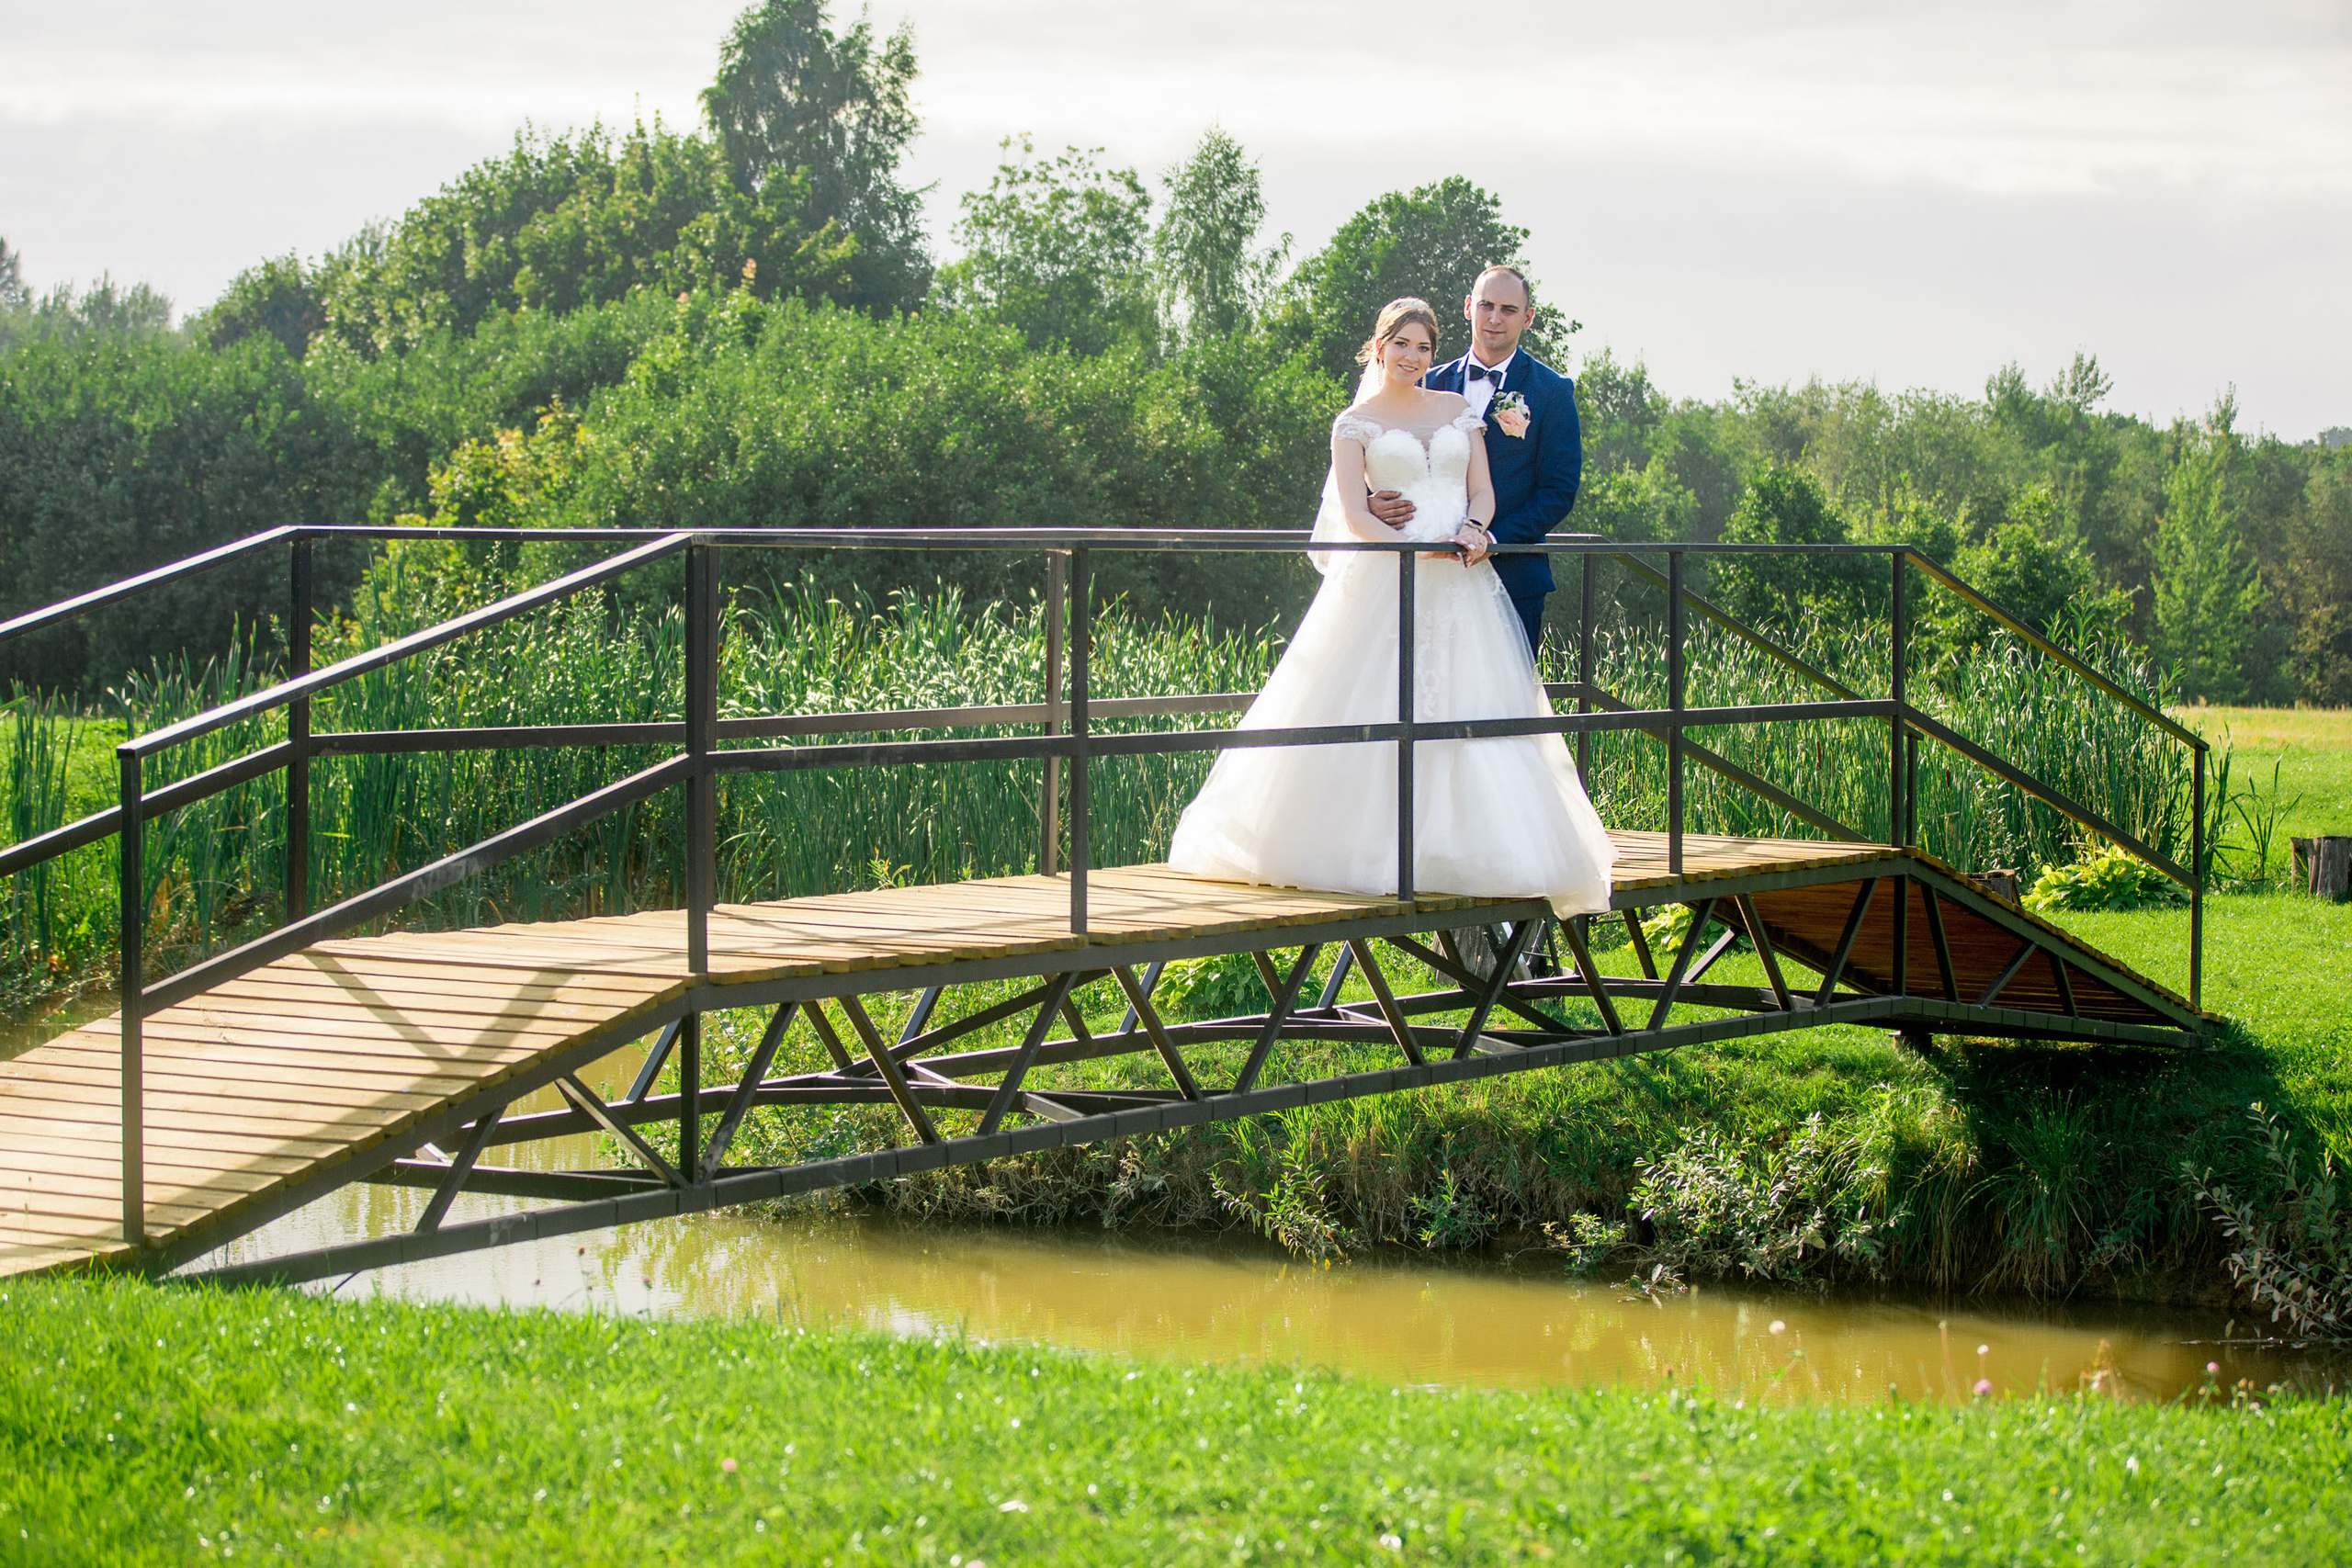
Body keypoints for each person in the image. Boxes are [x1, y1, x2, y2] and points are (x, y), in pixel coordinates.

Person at [1165, 298, 1615, 918]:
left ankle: (1469, 851)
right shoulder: (1355, 422)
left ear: (1434, 353)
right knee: (1373, 704)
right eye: (1401, 344)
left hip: (1460, 585)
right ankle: (1359, 850)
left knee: (1470, 709)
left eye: (1424, 347)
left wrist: (1476, 531)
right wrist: (1407, 552)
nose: (1412, 356)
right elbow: (1352, 513)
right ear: (1379, 349)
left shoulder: (1459, 412)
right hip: (1390, 579)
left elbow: (1479, 491)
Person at [1371, 265, 1582, 653]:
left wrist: (1490, 537)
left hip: (1513, 575)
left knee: (1503, 707)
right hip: (1426, 570)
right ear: (1469, 307)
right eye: (1486, 305)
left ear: (1528, 317)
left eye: (1508, 309)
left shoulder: (1552, 392)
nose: (1495, 319)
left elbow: (1559, 491)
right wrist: (1370, 502)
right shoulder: (1426, 378)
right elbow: (1382, 450)